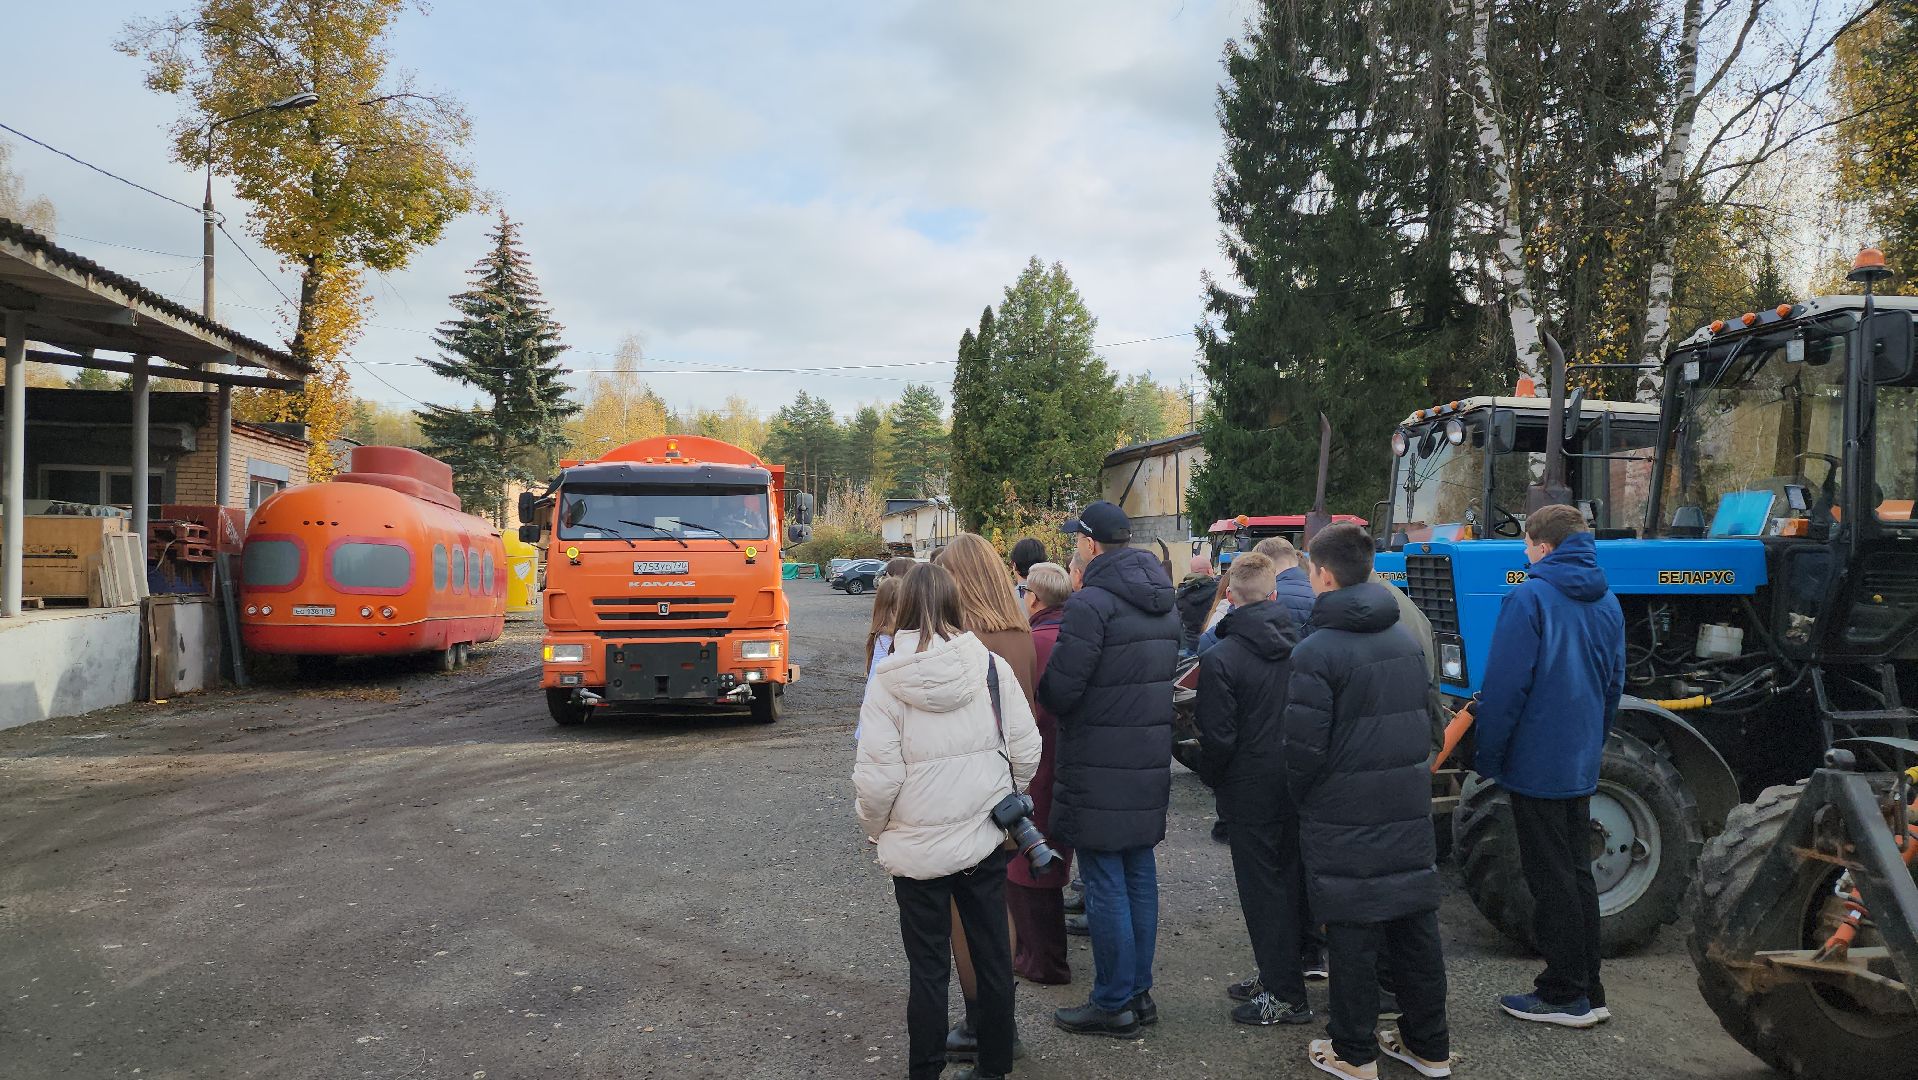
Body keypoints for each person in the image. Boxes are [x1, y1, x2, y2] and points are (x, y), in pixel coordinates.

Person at [857, 563, 1044, 1080]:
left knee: (928, 969)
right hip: (981, 837)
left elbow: (876, 778)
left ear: (906, 607)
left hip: (917, 850)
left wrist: (876, 829)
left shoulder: (887, 679)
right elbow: (1026, 749)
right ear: (955, 603)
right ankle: (995, 1067)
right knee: (991, 957)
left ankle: (925, 1070)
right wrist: (1006, 797)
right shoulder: (988, 667)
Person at [1282, 523, 1451, 1079]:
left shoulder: (1314, 653)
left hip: (1343, 814)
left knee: (1352, 932)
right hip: (1403, 807)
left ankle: (1353, 1053)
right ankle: (1429, 1046)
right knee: (1413, 925)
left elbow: (1303, 751)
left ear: (1323, 575)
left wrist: (1306, 799)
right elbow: (1433, 729)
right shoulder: (1405, 641)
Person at [1476, 504, 1626, 1029]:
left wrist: (1489, 755)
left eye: (1526, 545)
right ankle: (1591, 987)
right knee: (1577, 874)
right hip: (1578, 757)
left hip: (1536, 761)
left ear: (1542, 545)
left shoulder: (1529, 598)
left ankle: (1563, 993)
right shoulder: (1608, 600)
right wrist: (1590, 743)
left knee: (1550, 879)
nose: (1524, 552)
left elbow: (1504, 688)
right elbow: (1613, 686)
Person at [1037, 501, 1180, 1038]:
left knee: (1103, 881)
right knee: (1139, 874)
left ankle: (1113, 1000)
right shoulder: (1162, 601)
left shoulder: (1091, 603)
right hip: (1145, 758)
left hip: (1098, 761)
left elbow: (1063, 688)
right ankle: (1138, 993)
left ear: (1092, 545)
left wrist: (1040, 691)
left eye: (1078, 540)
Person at [1193, 553, 1316, 1028]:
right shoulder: (1302, 645)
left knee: (1263, 891)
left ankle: (1286, 995)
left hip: (1248, 786)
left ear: (1229, 599)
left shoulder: (1221, 657)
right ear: (1275, 594)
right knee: (1287, 882)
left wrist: (1212, 774)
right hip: (1294, 779)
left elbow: (1217, 737)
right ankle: (1278, 976)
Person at [932, 532, 1040, 1063]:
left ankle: (983, 1022)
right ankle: (1002, 1018)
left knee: (961, 909)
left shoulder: (968, 640)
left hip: (968, 788)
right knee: (996, 903)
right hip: (1008, 789)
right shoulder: (1021, 633)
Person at [1007, 562, 1076, 983]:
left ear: (1033, 597)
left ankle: (1042, 960)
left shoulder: (1034, 642)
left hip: (1040, 760)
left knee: (1030, 856)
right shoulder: (1077, 636)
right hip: (1073, 759)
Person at [1175, 554, 1218, 657]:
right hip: (1211, 647)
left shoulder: (1180, 593)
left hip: (1189, 648)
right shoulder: (1218, 591)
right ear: (1209, 571)